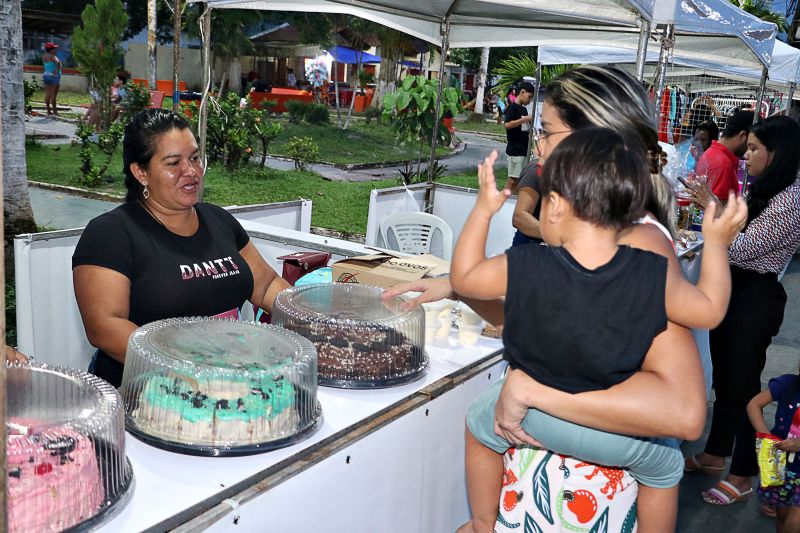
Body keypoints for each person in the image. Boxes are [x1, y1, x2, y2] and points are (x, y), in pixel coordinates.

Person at [384, 65, 710, 531]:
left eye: (547, 134)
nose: (538, 149)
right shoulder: (598, 235)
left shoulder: (637, 245)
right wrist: (459, 289)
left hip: (587, 499)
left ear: (590, 145)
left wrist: (535, 391)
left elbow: (682, 410)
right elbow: (561, 327)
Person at [453, 130, 746, 533]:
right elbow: (710, 310)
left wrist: (484, 211)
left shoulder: (532, 266)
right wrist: (716, 244)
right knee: (664, 467)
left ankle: (482, 524)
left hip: (541, 419)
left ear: (553, 206)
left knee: (479, 422)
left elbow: (465, 278)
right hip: (617, 434)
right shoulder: (650, 272)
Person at [72, 109, 290, 388]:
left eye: (195, 158)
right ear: (141, 172)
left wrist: (311, 318)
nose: (191, 171)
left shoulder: (218, 219)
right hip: (144, 392)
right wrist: (182, 370)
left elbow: (266, 285)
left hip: (228, 383)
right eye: (174, 163)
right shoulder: (111, 233)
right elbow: (104, 327)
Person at [685, 115, 800, 506]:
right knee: (727, 382)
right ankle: (716, 454)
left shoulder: (791, 199)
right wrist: (712, 204)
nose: (746, 156)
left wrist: (711, 214)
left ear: (777, 153)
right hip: (738, 291)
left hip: (754, 295)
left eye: (753, 149)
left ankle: (746, 473)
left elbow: (741, 247)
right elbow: (740, 230)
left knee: (744, 387)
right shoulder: (771, 188)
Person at [747, 368, 800, 531]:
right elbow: (754, 404)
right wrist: (767, 437)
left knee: (794, 525)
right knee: (782, 519)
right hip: (781, 466)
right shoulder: (788, 383)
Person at [695, 110, 754, 199]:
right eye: (751, 145)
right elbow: (718, 209)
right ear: (742, 136)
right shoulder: (722, 164)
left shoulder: (715, 154)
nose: (749, 152)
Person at [502, 82, 534, 195]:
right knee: (512, 179)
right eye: (529, 97)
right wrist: (524, 119)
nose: (529, 100)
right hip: (515, 149)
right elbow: (507, 125)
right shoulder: (512, 108)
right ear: (522, 92)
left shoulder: (523, 110)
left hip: (524, 149)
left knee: (520, 180)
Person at [41, 42, 62, 117]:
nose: (55, 50)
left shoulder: (43, 57)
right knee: (53, 95)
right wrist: (56, 70)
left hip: (46, 75)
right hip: (54, 76)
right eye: (54, 48)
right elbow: (58, 62)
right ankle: (55, 112)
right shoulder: (53, 56)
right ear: (51, 50)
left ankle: (48, 111)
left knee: (48, 94)